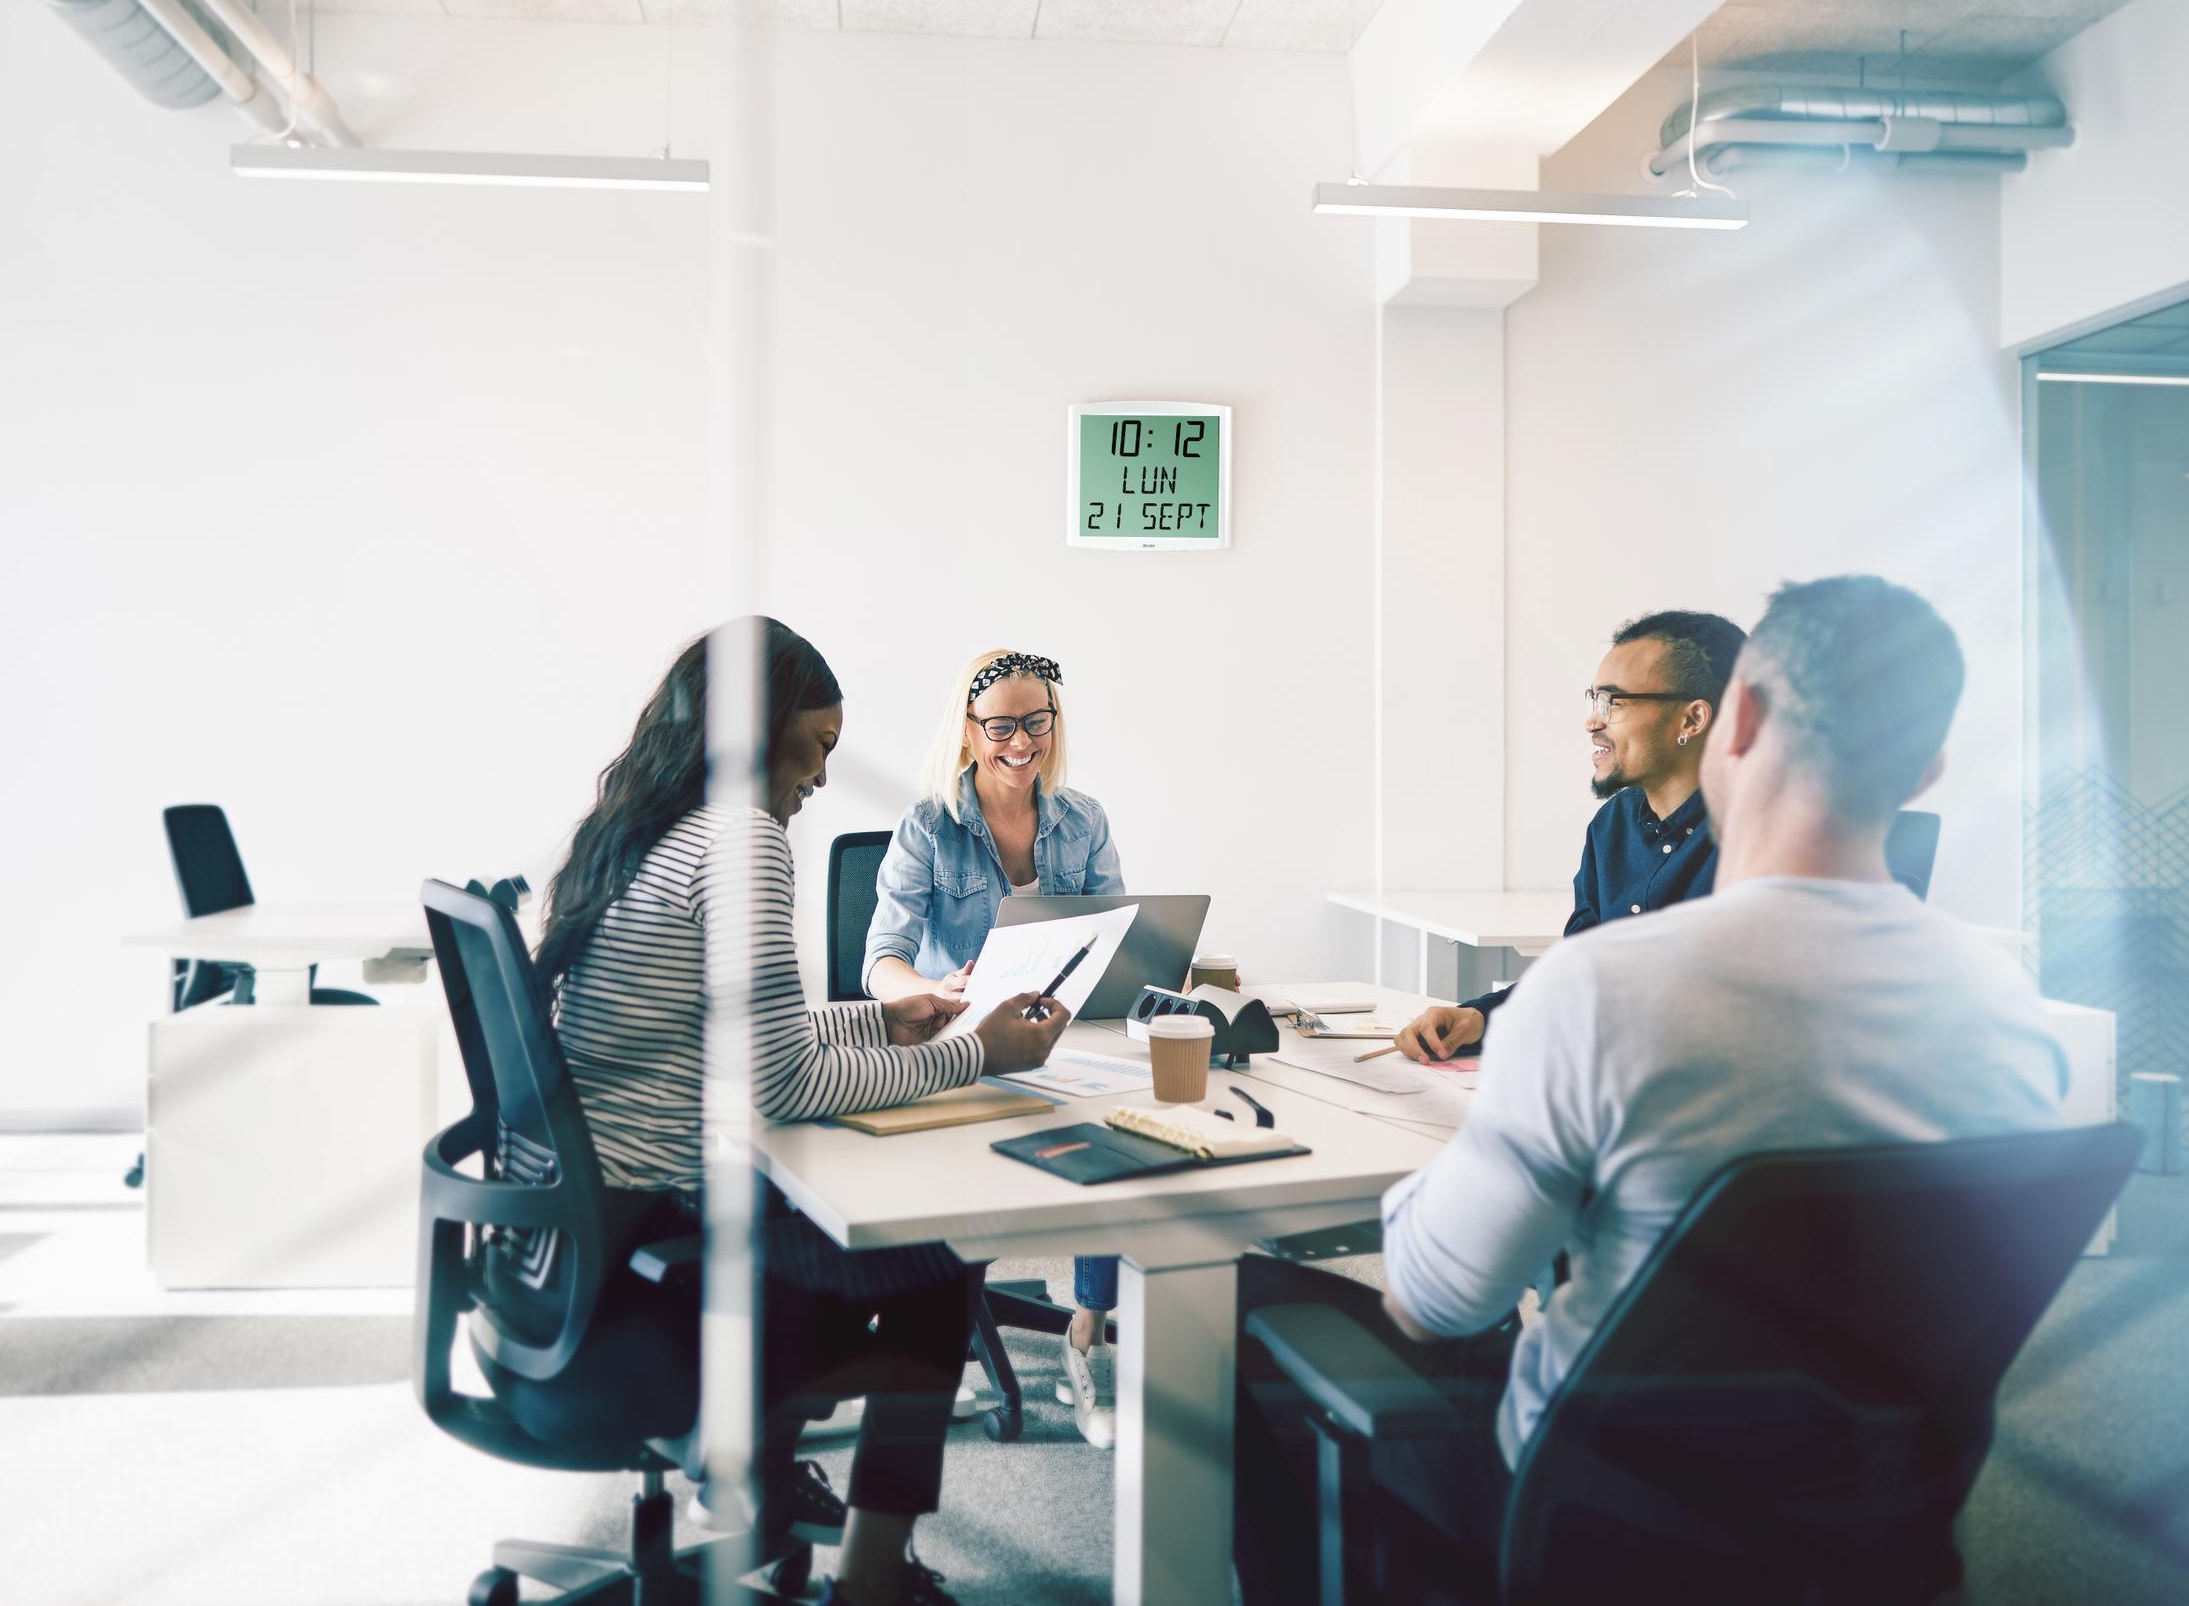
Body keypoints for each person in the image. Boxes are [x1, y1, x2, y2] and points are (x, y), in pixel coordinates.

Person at [1234, 577, 2070, 1604]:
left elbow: (1432, 1301)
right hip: (1871, 1523)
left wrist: (1500, 1138)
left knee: (1250, 1311)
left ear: (1733, 721)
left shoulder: (1600, 996)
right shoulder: (2015, 1017)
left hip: (1595, 1516)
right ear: (1926, 767)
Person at [533, 618, 1071, 1606]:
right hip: (652, 1255)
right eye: (817, 746)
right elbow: (780, 1084)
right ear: (760, 730)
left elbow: (746, 1035)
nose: (821, 776)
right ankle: (872, 1578)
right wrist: (977, 1053)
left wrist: (886, 1021)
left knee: (838, 1216)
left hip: (572, 1244)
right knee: (941, 1258)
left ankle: (758, 1480)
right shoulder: (741, 841)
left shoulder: (651, 829)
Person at [864, 649, 1127, 1447]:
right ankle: (935, 1326)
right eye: (1002, 724)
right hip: (965, 1047)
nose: (1022, 740)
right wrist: (933, 991)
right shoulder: (929, 827)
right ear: (970, 732)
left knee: (1120, 1132)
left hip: (1062, 1040)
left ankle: (1087, 1328)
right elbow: (879, 961)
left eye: (1036, 721)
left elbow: (1117, 934)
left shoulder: (1084, 820)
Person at [1395, 609, 1746, 1065]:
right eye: (1594, 702)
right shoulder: (1612, 826)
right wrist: (1479, 1019)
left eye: (1614, 704)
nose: (1593, 723)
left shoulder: (1764, 838)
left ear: (1692, 720)